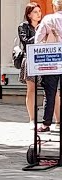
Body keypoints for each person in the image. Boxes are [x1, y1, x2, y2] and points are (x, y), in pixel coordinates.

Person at [18, 2, 60, 130]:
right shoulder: (24, 26)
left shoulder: (45, 24)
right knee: (31, 89)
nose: (38, 14)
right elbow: (25, 42)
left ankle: (58, 120)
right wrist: (39, 34)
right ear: (29, 14)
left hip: (47, 60)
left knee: (53, 90)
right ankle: (32, 119)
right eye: (35, 12)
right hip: (31, 59)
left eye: (39, 11)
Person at [34, 0, 62, 132]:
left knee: (50, 93)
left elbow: (37, 40)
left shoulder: (48, 19)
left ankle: (46, 123)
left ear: (54, 6)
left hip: (53, 61)